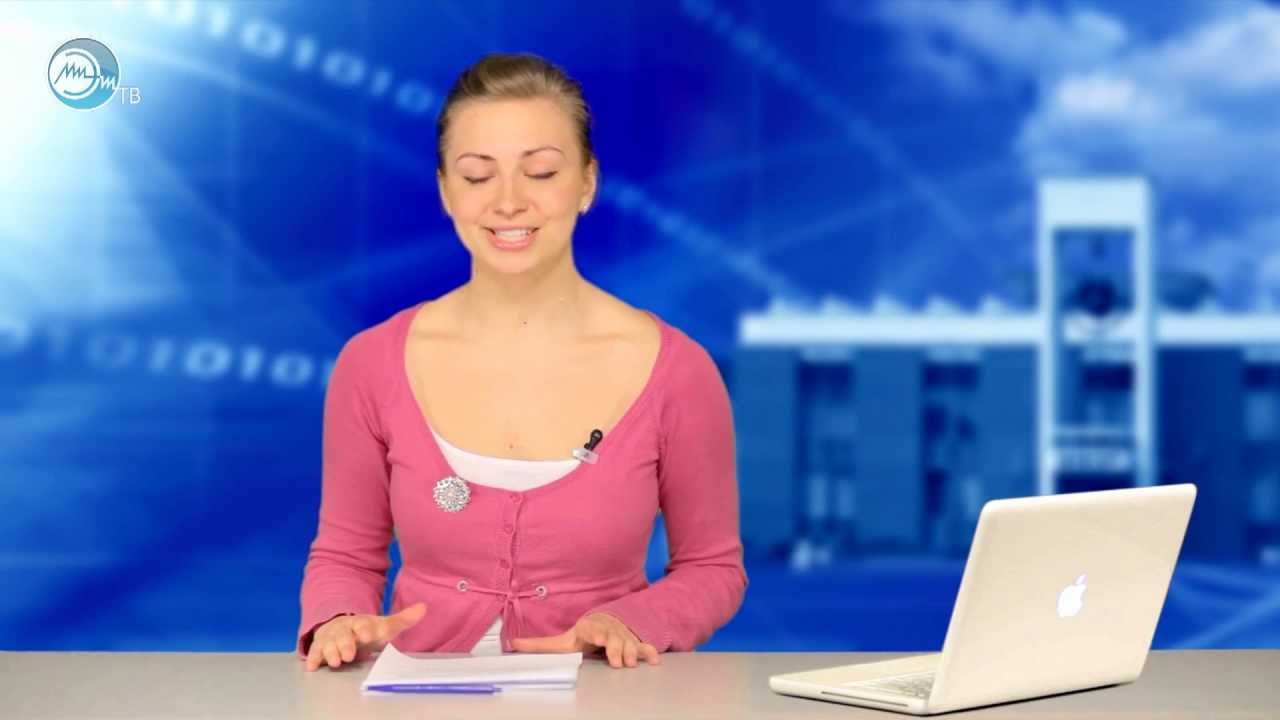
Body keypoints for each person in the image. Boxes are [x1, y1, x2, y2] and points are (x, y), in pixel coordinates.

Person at [296, 52, 746, 672]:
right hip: (415, 700)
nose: (508, 202)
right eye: (478, 176)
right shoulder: (370, 363)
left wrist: (631, 621)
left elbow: (713, 568)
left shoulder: (677, 371)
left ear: (587, 183)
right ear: (445, 191)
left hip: (607, 701)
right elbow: (344, 555)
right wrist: (339, 620)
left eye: (540, 172)